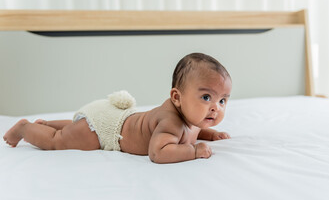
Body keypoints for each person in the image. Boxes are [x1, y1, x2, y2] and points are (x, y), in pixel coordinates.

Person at [3, 53, 232, 164]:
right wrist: (193, 152)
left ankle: (45, 124)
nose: (215, 108)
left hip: (117, 117)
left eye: (222, 101)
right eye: (206, 97)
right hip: (106, 131)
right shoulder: (170, 121)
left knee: (76, 127)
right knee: (58, 140)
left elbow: (190, 130)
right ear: (176, 97)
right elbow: (158, 153)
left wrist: (208, 133)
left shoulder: (190, 117)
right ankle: (25, 129)